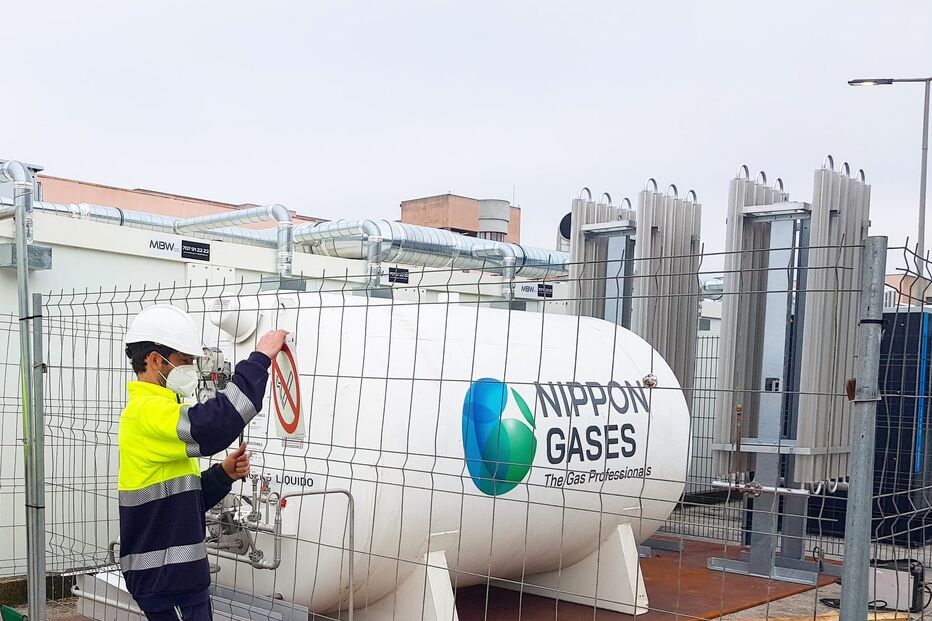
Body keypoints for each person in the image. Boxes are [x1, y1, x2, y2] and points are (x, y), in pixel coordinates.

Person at [118, 303, 287, 620]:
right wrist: (260, 359)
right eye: (184, 361)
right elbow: (214, 426)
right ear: (156, 360)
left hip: (172, 577)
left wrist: (222, 475)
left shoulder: (159, 412)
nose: (192, 370)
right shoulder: (148, 413)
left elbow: (182, 503)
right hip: (167, 579)